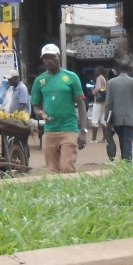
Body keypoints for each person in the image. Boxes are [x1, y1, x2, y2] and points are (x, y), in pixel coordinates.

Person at [30, 43, 88, 174]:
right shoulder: (40, 80)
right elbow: (35, 105)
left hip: (69, 128)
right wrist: (40, 113)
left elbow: (81, 104)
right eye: (45, 58)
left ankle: (72, 194)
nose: (49, 61)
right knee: (52, 170)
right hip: (50, 130)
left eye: (52, 57)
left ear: (59, 57)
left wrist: (83, 131)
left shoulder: (71, 77)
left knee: (67, 167)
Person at [102, 60, 133, 162]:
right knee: (127, 140)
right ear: (130, 69)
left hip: (116, 118)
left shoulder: (111, 82)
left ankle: (125, 159)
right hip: (130, 117)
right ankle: (127, 161)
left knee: (122, 140)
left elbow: (108, 102)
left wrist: (106, 119)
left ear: (118, 69)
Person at [89, 66, 108, 143]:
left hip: (98, 101)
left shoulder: (98, 78)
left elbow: (97, 88)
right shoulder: (104, 78)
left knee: (95, 120)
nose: (95, 72)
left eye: (96, 70)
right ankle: (105, 138)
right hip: (104, 101)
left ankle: (94, 139)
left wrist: (93, 91)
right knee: (103, 120)